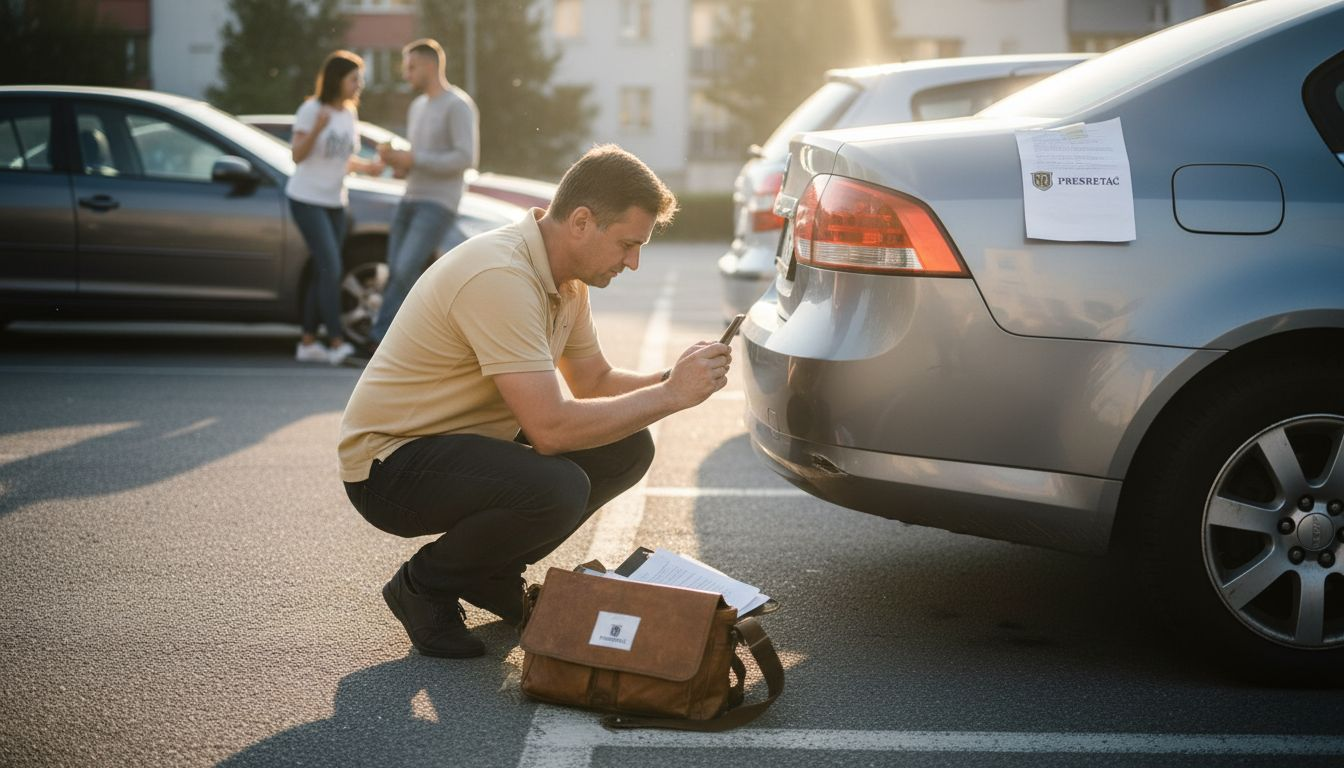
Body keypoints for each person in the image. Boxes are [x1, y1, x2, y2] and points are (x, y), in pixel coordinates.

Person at [338, 145, 731, 658]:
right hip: (388, 467)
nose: (633, 263)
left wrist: (673, 376)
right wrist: (672, 395)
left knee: (625, 448)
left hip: (457, 445)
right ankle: (424, 584)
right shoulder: (501, 275)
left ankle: (489, 571)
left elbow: (594, 380)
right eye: (628, 244)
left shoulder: (565, 280)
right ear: (582, 222)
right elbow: (551, 429)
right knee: (557, 484)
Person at [369, 38, 479, 351]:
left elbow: (465, 157)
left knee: (405, 270)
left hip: (438, 202)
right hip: (410, 196)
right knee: (396, 272)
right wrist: (399, 163)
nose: (406, 74)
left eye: (411, 67)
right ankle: (401, 344)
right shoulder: (417, 107)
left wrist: (414, 160)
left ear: (430, 66)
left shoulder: (458, 105)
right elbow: (419, 155)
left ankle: (379, 343)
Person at [288, 50, 383, 365]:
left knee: (322, 271)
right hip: (307, 199)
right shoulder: (310, 109)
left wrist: (367, 167)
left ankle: (307, 343)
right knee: (331, 267)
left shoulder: (348, 114)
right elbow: (297, 156)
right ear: (337, 79)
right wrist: (316, 128)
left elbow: (343, 158)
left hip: (335, 202)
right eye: (354, 78)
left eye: (360, 78)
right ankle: (337, 342)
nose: (360, 84)